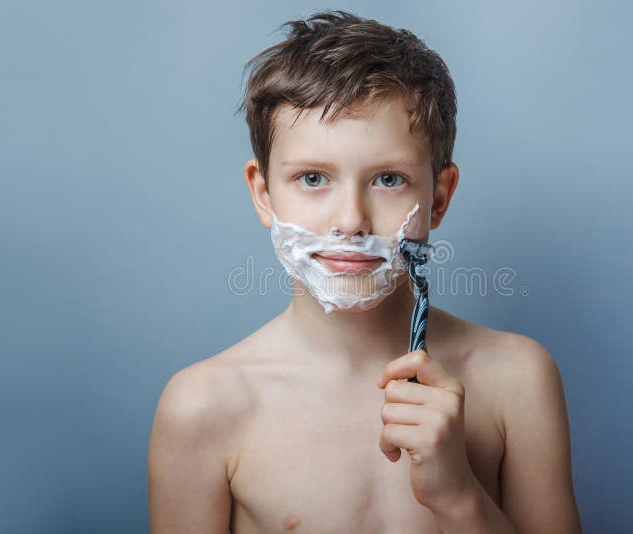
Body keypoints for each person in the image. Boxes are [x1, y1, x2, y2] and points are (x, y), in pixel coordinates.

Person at [148, 9, 582, 533]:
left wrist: (458, 496)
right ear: (263, 195)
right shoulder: (204, 408)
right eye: (312, 178)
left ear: (439, 198)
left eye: (388, 180)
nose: (350, 221)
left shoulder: (518, 380)